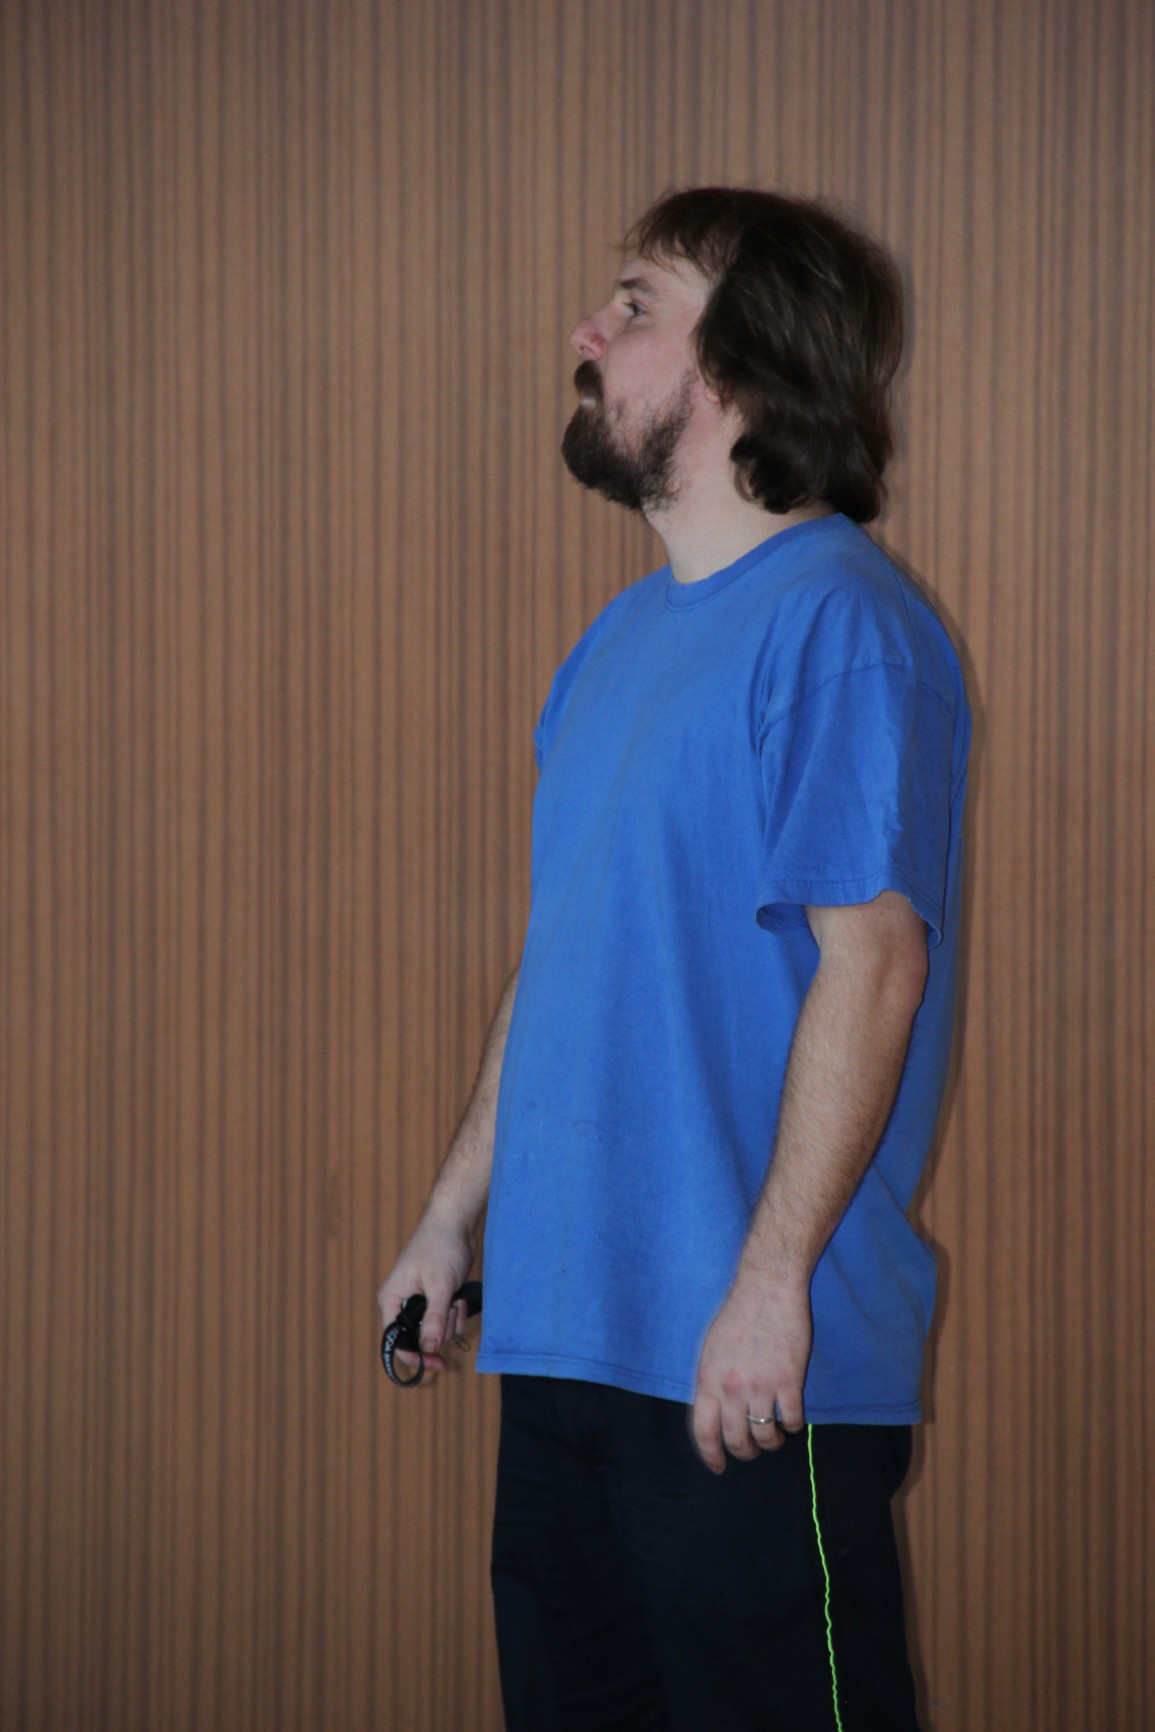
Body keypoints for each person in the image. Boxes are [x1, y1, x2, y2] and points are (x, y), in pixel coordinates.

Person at [380, 186, 970, 1732]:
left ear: (749, 364)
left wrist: (770, 1291)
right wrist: (452, 1218)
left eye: (636, 304)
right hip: (568, 1342)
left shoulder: (839, 622)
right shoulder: (614, 646)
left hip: (745, 1376)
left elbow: (875, 968)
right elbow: (565, 964)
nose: (587, 330)